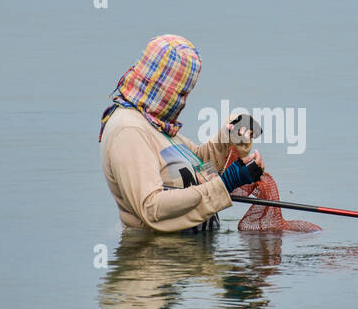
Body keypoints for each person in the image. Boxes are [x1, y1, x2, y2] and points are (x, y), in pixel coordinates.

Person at [99, 34, 263, 233]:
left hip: (192, 257)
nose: (184, 103)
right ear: (161, 85)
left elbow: (196, 163)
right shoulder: (129, 131)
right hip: (159, 257)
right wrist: (226, 183)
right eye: (181, 94)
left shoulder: (154, 122)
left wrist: (227, 139)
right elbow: (151, 207)